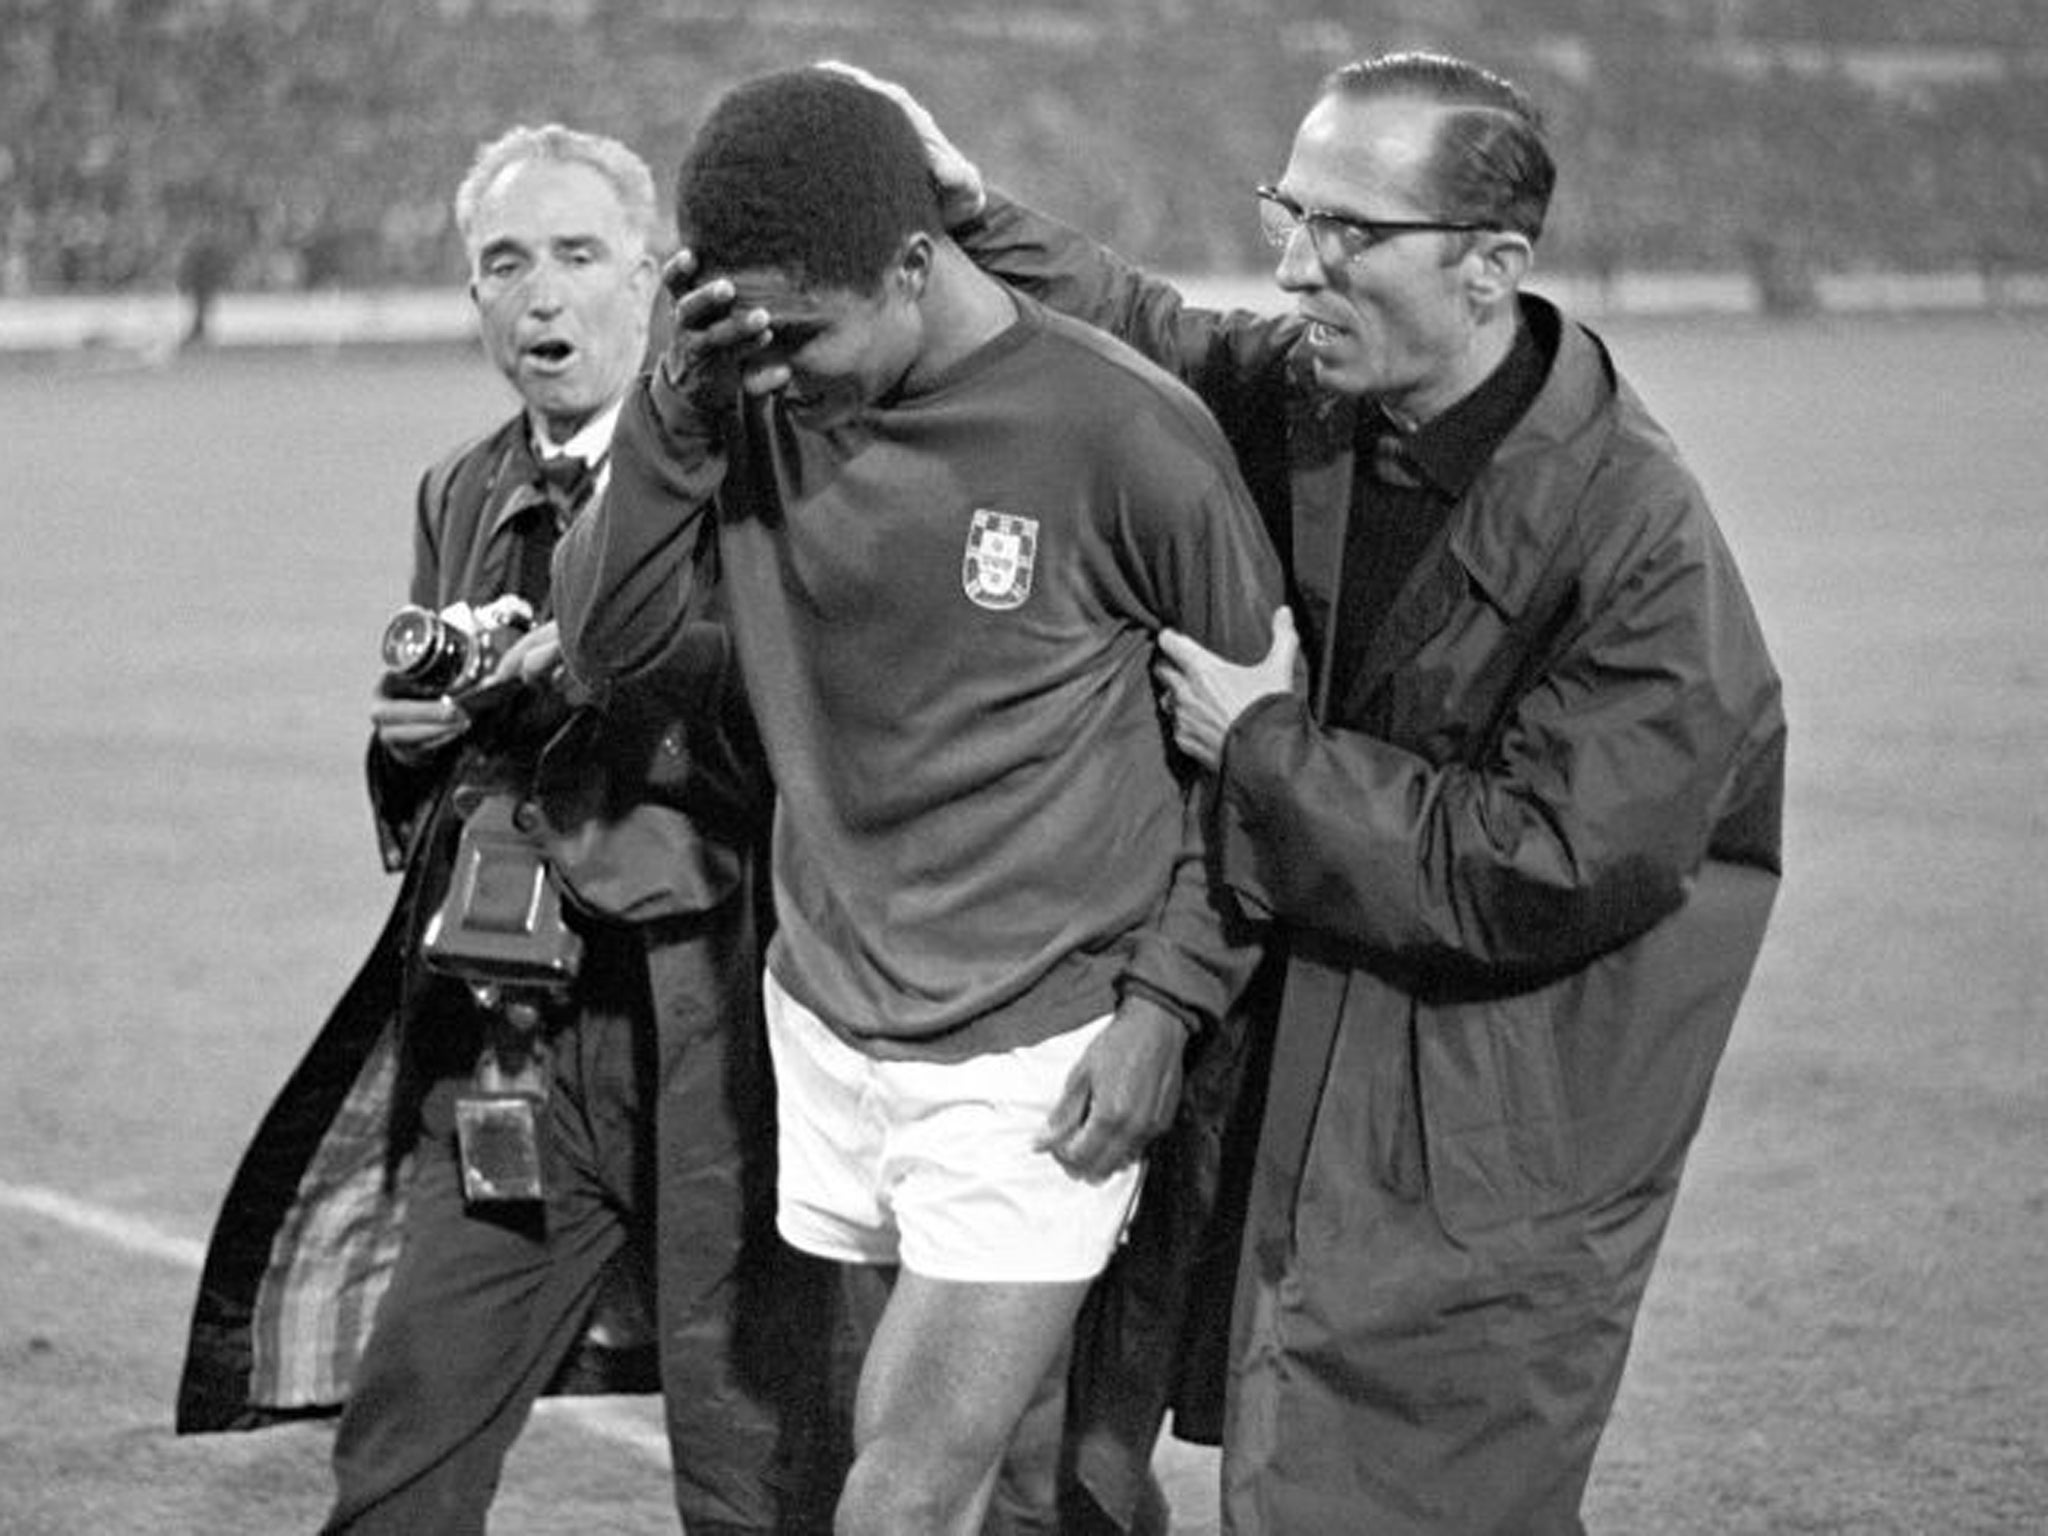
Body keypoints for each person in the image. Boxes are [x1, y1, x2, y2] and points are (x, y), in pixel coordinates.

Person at [856, 50, 1787, 1534]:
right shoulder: (1323, 398)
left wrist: (1266, 746)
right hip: (1298, 1051)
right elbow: (1153, 336)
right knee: (1087, 1470)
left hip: (1485, 1122)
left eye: (1349, 234)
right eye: (1294, 214)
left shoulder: (1640, 541)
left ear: (1493, 268)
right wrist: (980, 214)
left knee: (1391, 1495)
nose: (1298, 267)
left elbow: (1546, 864)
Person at [551, 67, 1284, 1536]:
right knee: (987, 1461)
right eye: (751, 339)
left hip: (1043, 1051)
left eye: (805, 336)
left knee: (901, 1493)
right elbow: (606, 649)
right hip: (830, 1014)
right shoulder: (738, 395)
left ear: (911, 264)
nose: (779, 374)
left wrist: (1165, 1008)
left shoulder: (1126, 437)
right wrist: (674, 422)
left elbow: (1259, 759)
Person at [176, 123, 842, 1534]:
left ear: (655, 279)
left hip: (717, 1024)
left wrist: (606, 674)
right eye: (506, 263)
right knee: (404, 1445)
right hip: (510, 1029)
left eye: (579, 255)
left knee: (751, 1466)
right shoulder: (466, 489)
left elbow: (812, 733)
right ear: (474, 299)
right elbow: (460, 771)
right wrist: (411, 746)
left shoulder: (762, 471)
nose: (543, 295)